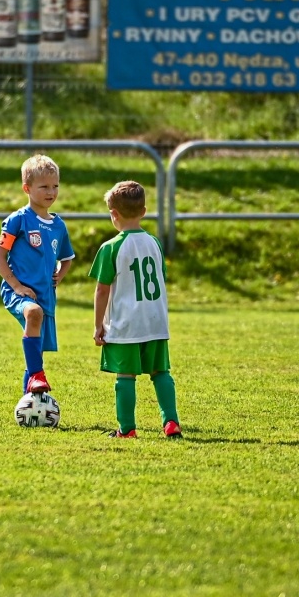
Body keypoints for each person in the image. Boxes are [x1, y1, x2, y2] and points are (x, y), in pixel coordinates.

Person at [90, 180, 180, 438]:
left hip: (126, 324)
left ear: (113, 214)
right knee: (161, 372)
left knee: (126, 376)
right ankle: (171, 422)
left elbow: (102, 290)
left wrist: (98, 325)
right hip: (155, 323)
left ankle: (127, 429)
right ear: (143, 211)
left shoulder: (111, 247)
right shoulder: (155, 243)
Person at [0, 154, 74, 394]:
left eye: (55, 185)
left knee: (35, 353)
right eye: (44, 186)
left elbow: (67, 258)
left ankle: (30, 400)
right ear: (27, 188)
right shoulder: (17, 220)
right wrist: (16, 286)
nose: (51, 191)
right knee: (33, 313)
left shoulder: (59, 225)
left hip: (45, 295)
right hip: (18, 292)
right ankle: (37, 377)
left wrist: (60, 274)